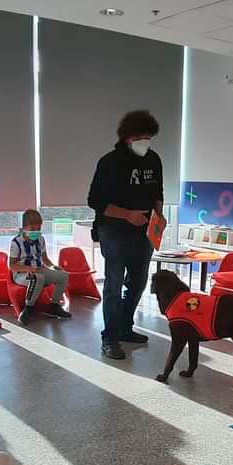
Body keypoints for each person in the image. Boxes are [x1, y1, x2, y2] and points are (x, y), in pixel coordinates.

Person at [87, 109, 167, 360]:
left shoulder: (153, 159)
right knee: (113, 284)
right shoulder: (109, 162)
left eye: (149, 137)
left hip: (144, 231)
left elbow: (158, 192)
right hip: (113, 230)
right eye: (141, 137)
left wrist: (159, 214)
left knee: (138, 282)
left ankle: (125, 328)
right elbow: (95, 201)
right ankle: (109, 338)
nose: (146, 142)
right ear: (127, 137)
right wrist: (127, 215)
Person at [7, 209, 71, 325]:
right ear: (24, 227)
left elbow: (45, 259)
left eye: (38, 229)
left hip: (40, 269)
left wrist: (53, 266)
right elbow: (12, 266)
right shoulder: (16, 242)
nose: (36, 232)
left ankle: (54, 305)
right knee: (38, 278)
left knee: (63, 275)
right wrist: (28, 269)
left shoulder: (41, 239)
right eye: (32, 229)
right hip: (22, 274)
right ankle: (28, 309)